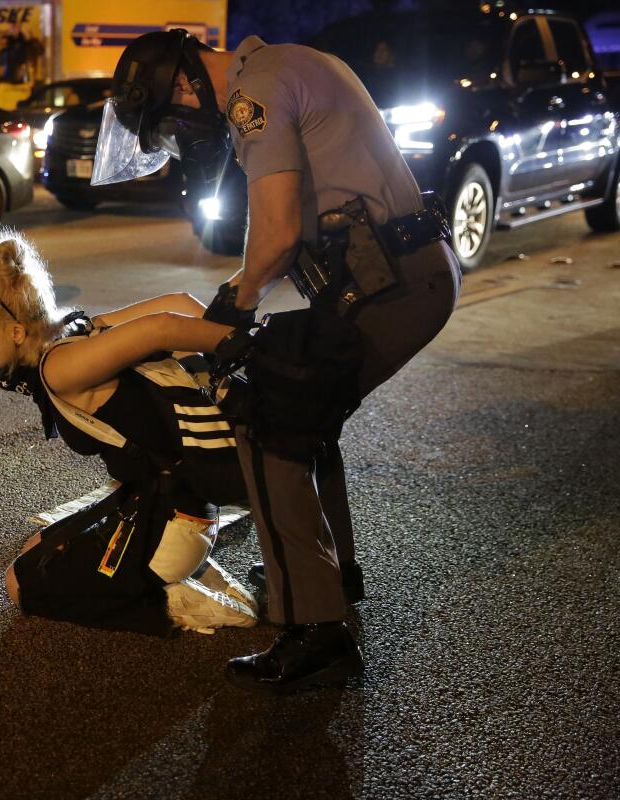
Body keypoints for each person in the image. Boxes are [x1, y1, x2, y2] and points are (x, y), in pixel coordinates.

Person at [94, 30, 460, 691]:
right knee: (306, 412)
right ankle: (330, 575)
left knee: (268, 415)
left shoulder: (253, 89)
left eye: (171, 119)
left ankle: (314, 627)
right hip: (391, 276)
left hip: (391, 284)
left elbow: (278, 233)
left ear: (182, 82)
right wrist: (242, 293)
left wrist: (234, 301)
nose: (181, 131)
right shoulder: (286, 65)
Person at [0, 231, 258, 636]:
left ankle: (170, 599)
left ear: (17, 333)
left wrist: (249, 350)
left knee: (20, 585)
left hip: (173, 514)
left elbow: (163, 327)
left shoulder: (59, 367)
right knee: (37, 547)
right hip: (179, 502)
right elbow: (179, 303)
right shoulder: (76, 330)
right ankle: (184, 570)